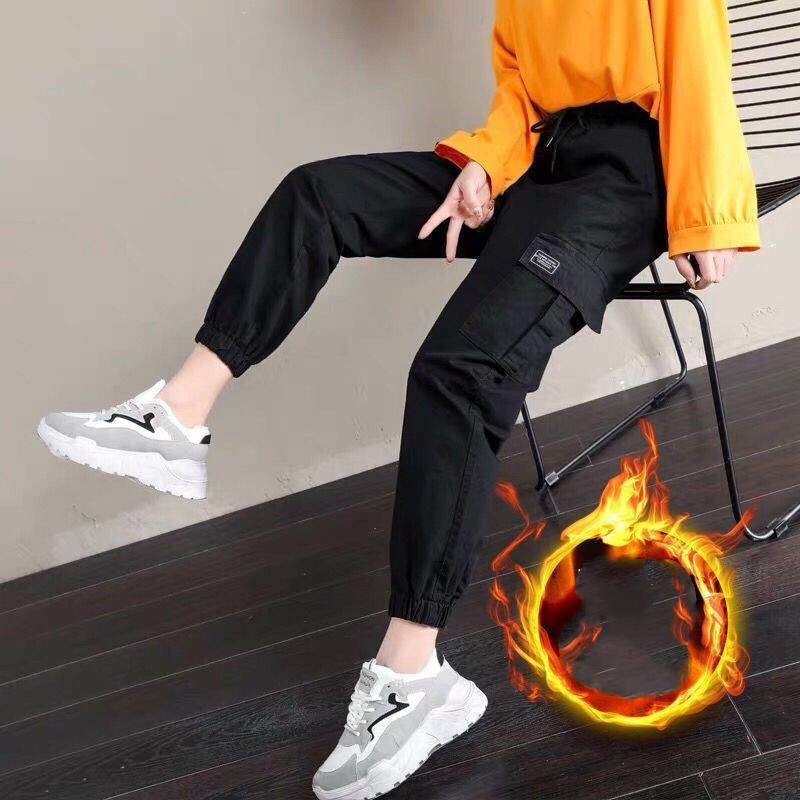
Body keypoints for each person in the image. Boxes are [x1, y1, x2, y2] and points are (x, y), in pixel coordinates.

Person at [38, 1, 760, 798]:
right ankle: (179, 415)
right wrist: (486, 164)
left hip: (628, 176)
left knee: (458, 372)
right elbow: (520, 93)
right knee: (317, 196)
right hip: (541, 162)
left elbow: (698, 58)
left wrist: (709, 214)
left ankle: (415, 675)